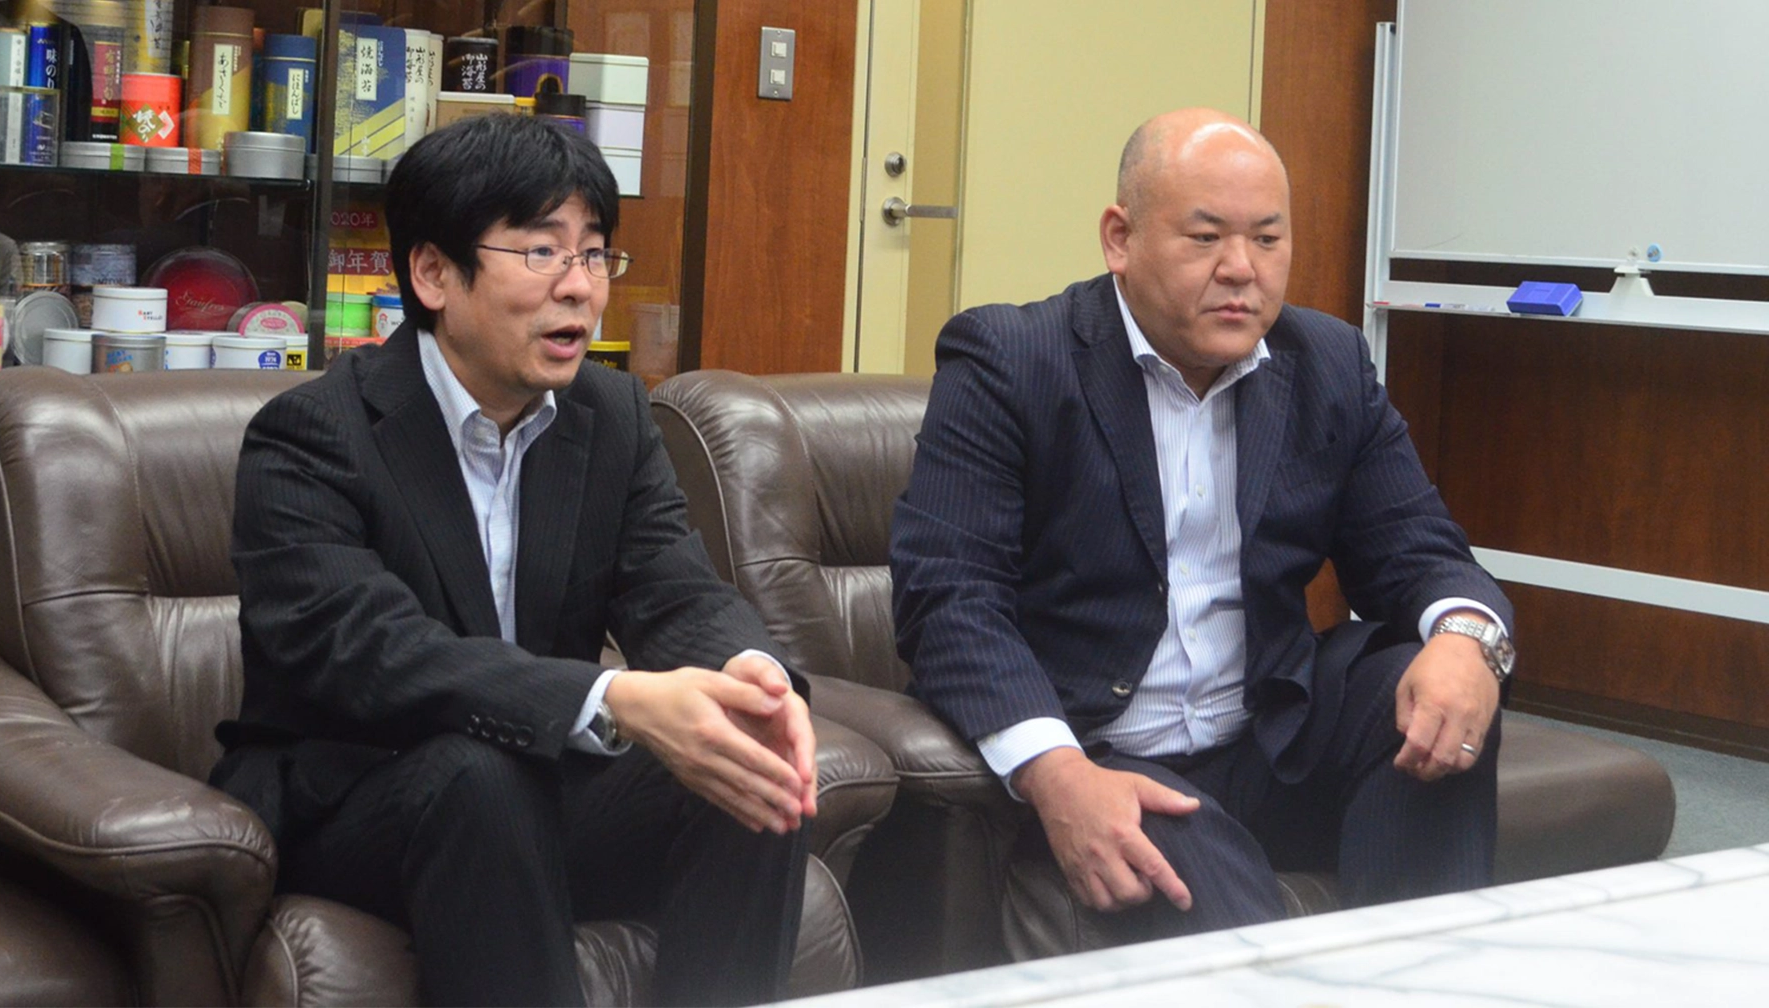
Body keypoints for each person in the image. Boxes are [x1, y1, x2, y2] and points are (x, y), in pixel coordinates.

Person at [210, 114, 817, 1006]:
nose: (580, 288)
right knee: (480, 778)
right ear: (433, 274)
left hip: (535, 785)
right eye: (542, 252)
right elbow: (371, 651)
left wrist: (751, 679)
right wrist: (613, 697)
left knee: (751, 768)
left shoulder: (610, 417)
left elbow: (677, 589)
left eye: (595, 254)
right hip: (363, 796)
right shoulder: (313, 435)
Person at [890, 108, 1515, 945]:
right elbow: (949, 598)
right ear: (1120, 239)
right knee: (1199, 873)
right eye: (1206, 237)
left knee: (1437, 695)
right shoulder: (1011, 360)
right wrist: (1057, 771)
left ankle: (1421, 977)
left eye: (1268, 239)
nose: (1241, 270)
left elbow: (1419, 549)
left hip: (1267, 736)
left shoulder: (1326, 363)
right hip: (1099, 751)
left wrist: (1469, 641)